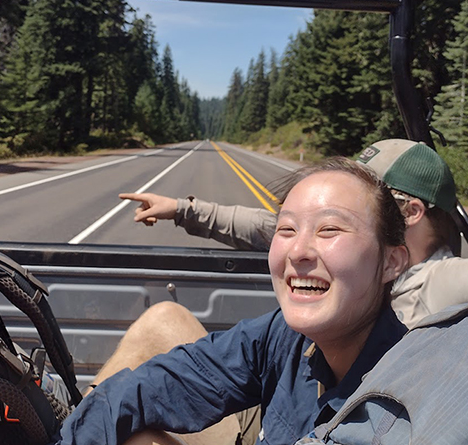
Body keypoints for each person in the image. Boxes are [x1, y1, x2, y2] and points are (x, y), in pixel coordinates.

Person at [0, 158, 409, 445]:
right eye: (287, 229)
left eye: (330, 230)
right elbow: (163, 383)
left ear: (392, 261)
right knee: (159, 330)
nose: (299, 250)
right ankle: (68, 432)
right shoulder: (286, 335)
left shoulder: (404, 405)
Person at [122, 138, 462, 327]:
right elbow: (264, 226)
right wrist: (183, 210)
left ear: (412, 211)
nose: (301, 249)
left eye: (373, 191)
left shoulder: (442, 283)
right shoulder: (348, 244)